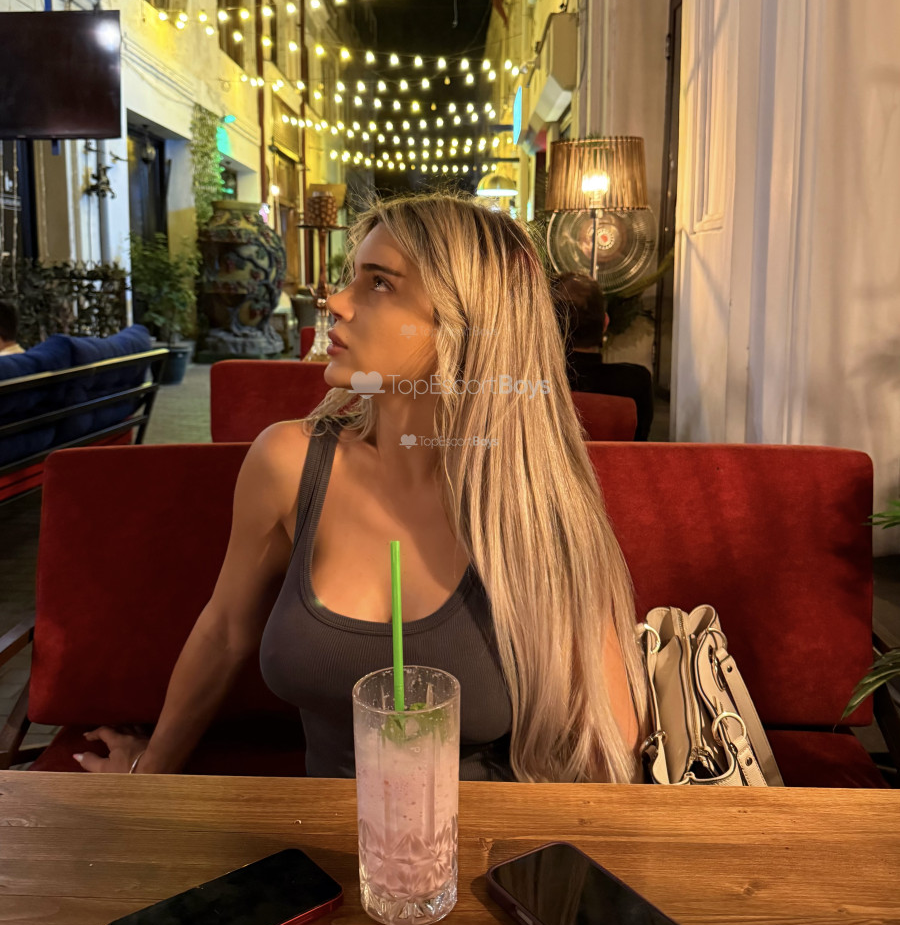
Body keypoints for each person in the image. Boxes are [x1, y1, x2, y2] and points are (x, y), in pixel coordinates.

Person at [78, 193, 648, 784]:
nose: (336, 302)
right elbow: (225, 631)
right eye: (353, 277)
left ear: (465, 324)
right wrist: (148, 772)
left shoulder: (533, 507)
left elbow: (608, 745)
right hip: (318, 834)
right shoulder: (290, 463)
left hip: (485, 832)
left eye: (379, 283)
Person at [550, 272, 655, 441]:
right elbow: (638, 446)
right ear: (605, 322)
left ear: (550, 327)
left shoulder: (536, 382)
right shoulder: (636, 383)